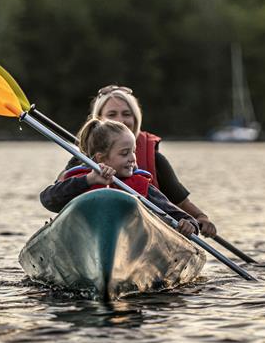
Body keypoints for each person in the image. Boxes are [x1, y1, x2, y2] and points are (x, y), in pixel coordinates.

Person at [87, 85, 219, 238]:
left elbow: (181, 203)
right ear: (99, 120)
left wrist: (201, 218)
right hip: (94, 230)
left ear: (135, 119)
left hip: (144, 234)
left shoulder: (155, 160)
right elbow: (55, 195)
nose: (120, 120)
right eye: (112, 114)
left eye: (126, 114)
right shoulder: (84, 159)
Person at [39, 118, 200, 236]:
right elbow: (47, 199)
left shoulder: (140, 185)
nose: (132, 158)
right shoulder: (82, 180)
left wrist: (189, 223)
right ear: (101, 158)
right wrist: (89, 180)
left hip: (130, 244)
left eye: (133, 151)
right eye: (124, 153)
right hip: (83, 239)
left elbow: (178, 215)